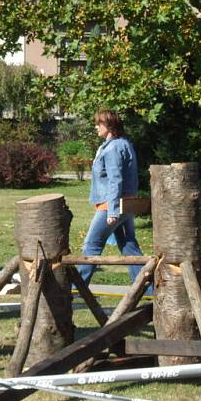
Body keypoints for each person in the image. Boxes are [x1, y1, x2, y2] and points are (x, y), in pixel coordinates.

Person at [76, 109, 145, 286]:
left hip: (112, 206)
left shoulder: (114, 147)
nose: (96, 127)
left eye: (99, 123)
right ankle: (146, 288)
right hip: (125, 205)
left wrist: (112, 211)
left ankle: (75, 288)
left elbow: (116, 180)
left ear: (110, 125)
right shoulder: (121, 144)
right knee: (129, 247)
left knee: (91, 245)